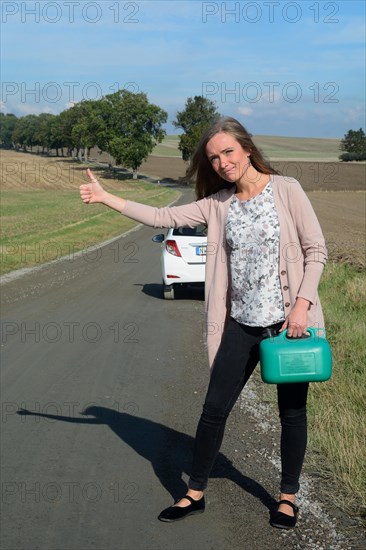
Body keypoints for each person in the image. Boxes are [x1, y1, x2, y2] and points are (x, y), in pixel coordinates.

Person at [79, 117, 327, 529]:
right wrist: (108, 199)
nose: (222, 162)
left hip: (289, 324)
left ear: (247, 149)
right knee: (213, 410)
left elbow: (316, 249)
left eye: (228, 151)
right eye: (214, 157)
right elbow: (160, 215)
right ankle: (194, 492)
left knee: (292, 412)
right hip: (241, 325)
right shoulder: (217, 204)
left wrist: (301, 306)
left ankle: (287, 497)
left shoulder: (287, 190)